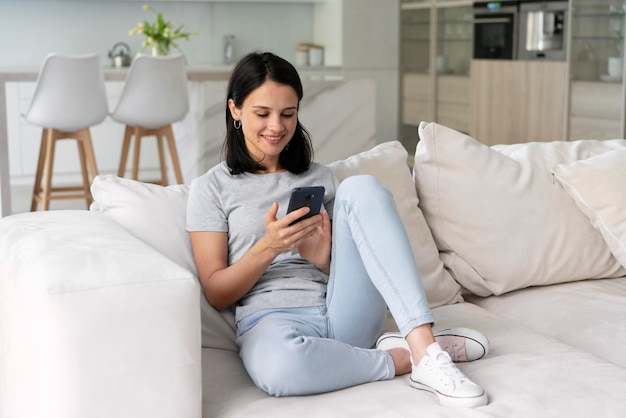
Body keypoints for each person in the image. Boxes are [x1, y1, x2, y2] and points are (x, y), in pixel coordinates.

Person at [186, 51, 489, 408]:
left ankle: (425, 347)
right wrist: (268, 247)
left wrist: (324, 260)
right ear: (235, 110)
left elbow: (358, 263)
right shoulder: (211, 188)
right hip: (271, 322)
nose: (276, 127)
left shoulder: (321, 177)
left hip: (343, 312)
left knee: (362, 187)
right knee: (280, 370)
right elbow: (217, 292)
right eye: (262, 114)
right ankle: (407, 358)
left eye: (288, 114)